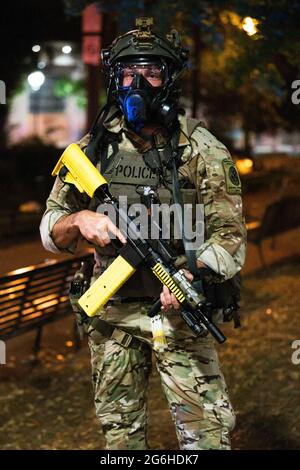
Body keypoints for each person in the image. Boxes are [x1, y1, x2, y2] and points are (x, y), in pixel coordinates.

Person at [40, 17, 247, 450]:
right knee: (122, 441)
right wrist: (79, 221)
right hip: (113, 315)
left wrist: (193, 273)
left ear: (169, 81)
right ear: (115, 79)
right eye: (129, 72)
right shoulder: (91, 151)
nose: (140, 82)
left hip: (178, 314)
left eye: (152, 71)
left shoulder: (201, 150)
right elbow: (51, 230)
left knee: (207, 438)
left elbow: (229, 236)